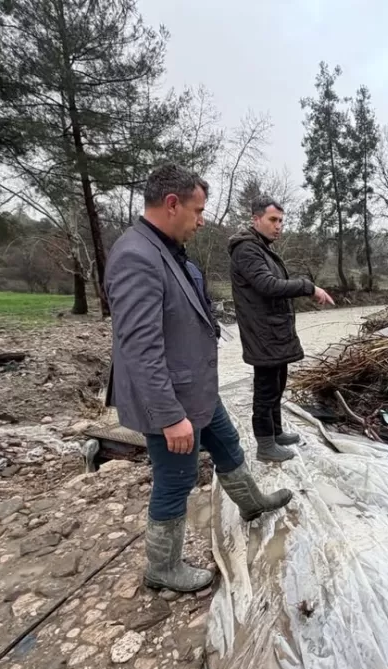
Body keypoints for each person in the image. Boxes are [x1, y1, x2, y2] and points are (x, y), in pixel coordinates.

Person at [104, 164, 292, 594]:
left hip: (196, 388)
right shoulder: (137, 256)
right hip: (170, 399)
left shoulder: (164, 248)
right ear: (172, 205)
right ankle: (162, 566)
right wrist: (170, 416)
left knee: (226, 443)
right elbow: (139, 347)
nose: (202, 219)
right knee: (175, 479)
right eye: (198, 209)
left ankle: (251, 504)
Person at [228, 196, 335, 462]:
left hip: (274, 331)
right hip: (263, 334)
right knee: (265, 389)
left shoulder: (262, 248)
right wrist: (308, 287)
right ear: (256, 219)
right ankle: (265, 445)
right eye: (273, 220)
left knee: (278, 384)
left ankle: (275, 432)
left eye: (281, 221)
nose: (279, 226)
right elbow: (268, 285)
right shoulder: (247, 250)